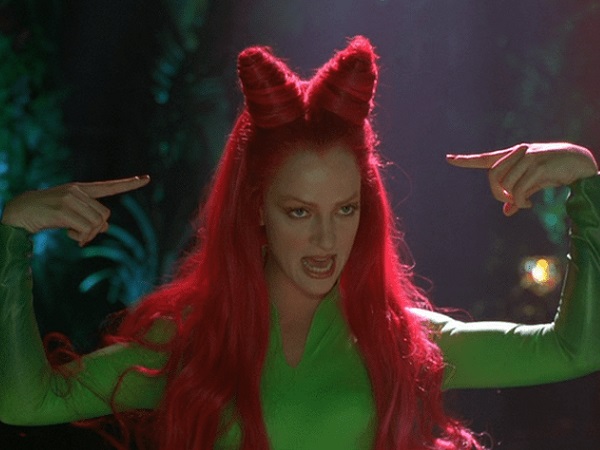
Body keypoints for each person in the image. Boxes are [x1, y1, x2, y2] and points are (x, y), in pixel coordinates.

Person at [0, 36, 599, 450]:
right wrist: (13, 236)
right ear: (256, 209)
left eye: (345, 209)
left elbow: (576, 348)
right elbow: (26, 402)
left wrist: (585, 182)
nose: (325, 238)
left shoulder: (405, 344)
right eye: (299, 211)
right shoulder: (192, 344)